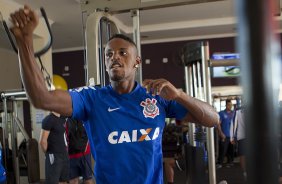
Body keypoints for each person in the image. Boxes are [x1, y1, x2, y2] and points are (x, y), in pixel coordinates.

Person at [9, 5, 219, 184]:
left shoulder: (157, 96)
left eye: (122, 53)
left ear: (137, 61)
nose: (114, 57)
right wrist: (25, 41)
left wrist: (179, 95)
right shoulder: (91, 98)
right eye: (109, 54)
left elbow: (212, 119)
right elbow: (40, 98)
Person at [39, 112, 69, 184]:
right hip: (54, 155)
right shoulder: (48, 120)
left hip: (64, 154)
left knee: (63, 180)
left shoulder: (62, 118)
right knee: (52, 181)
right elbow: (42, 141)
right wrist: (48, 154)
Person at [66, 118, 94, 184]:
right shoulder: (66, 120)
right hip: (71, 155)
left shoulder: (86, 118)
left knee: (88, 179)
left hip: (85, 153)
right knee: (73, 180)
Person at [216, 99, 235, 169]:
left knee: (231, 150)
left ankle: (230, 162)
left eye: (231, 105)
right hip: (224, 135)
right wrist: (221, 133)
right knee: (222, 150)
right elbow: (218, 124)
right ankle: (219, 163)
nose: (230, 106)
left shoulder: (234, 113)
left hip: (232, 136)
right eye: (229, 105)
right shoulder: (221, 113)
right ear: (226, 105)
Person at [230, 106, 246, 179]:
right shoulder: (237, 111)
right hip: (246, 136)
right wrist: (232, 137)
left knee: (243, 155)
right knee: (244, 155)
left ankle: (245, 172)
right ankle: (246, 172)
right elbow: (233, 124)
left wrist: (232, 137)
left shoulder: (237, 111)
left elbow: (233, 124)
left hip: (242, 137)